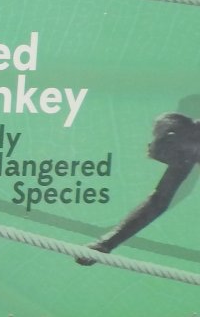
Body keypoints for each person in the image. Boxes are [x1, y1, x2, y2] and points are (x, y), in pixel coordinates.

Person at [78, 111, 200, 264]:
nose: (149, 146)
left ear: (170, 138)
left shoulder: (186, 148)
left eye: (155, 140)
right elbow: (157, 202)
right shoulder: (186, 152)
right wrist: (105, 244)